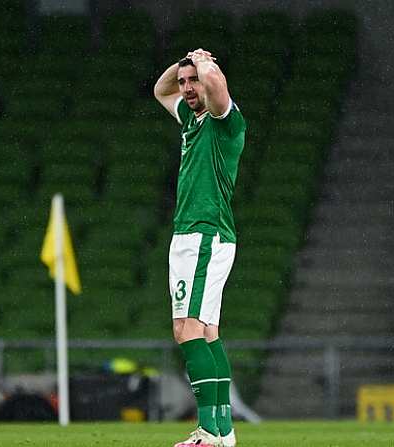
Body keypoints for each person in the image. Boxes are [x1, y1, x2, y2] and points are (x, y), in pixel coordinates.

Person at [154, 48, 246, 447]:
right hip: (196, 235)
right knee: (207, 332)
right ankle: (223, 432)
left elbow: (218, 89)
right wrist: (183, 64)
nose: (187, 88)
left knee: (186, 329)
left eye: (194, 82)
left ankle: (208, 430)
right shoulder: (191, 120)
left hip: (203, 234)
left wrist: (205, 64)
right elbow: (160, 90)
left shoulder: (226, 121)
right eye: (185, 82)